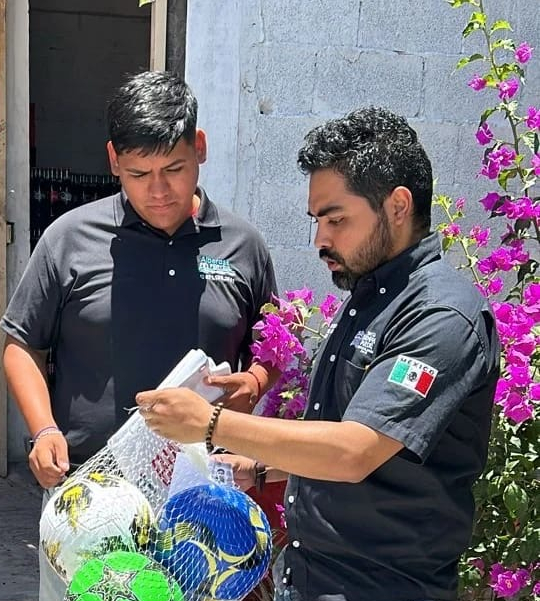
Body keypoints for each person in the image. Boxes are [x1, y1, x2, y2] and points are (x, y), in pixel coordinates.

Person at [136, 107, 500, 601]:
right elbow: (335, 430)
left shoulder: (440, 316)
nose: (320, 240)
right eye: (316, 220)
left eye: (336, 219)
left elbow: (355, 450)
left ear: (397, 206)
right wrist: (261, 467)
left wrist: (209, 424)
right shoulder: (369, 299)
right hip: (310, 577)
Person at [0, 71, 279, 600]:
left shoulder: (243, 245)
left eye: (173, 168)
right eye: (138, 173)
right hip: (92, 502)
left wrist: (258, 379)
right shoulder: (70, 239)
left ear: (200, 148)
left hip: (204, 506)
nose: (158, 190)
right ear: (113, 161)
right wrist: (43, 431)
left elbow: (276, 346)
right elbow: (20, 341)